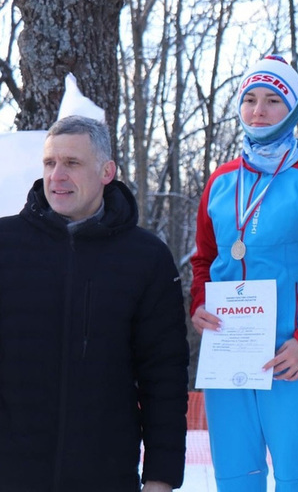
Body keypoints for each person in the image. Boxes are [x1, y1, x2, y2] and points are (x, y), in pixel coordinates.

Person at [0, 74, 189, 492]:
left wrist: (160, 477)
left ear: (107, 171)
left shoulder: (146, 257)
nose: (57, 176)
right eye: (50, 163)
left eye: (72, 163)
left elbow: (164, 377)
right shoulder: (4, 244)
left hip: (105, 474)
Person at [190, 55, 298, 492]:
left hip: (292, 360)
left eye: (272, 101)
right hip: (229, 360)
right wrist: (199, 304)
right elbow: (204, 261)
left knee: (296, 481)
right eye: (249, 99)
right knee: (235, 480)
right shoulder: (221, 180)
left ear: (293, 110)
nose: (258, 110)